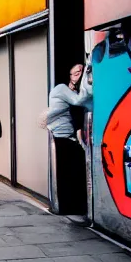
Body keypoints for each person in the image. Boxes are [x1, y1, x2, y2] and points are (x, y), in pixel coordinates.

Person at [47, 63, 92, 216]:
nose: (80, 75)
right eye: (77, 73)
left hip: (72, 137)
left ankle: (75, 206)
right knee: (69, 174)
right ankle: (69, 208)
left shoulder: (73, 91)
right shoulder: (62, 89)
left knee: (74, 173)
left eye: (82, 71)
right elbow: (79, 101)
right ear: (69, 76)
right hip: (64, 138)